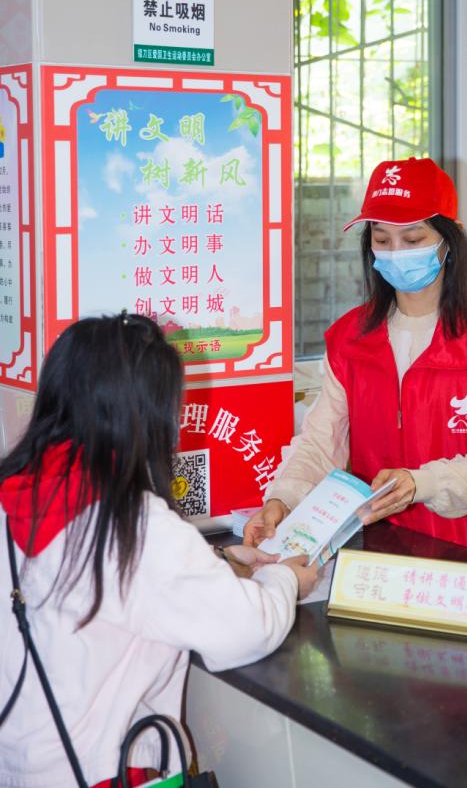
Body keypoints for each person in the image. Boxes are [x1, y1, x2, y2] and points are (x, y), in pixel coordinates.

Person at [0, 313, 317, 788]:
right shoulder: (132, 525)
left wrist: (222, 561)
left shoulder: (15, 493)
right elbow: (246, 630)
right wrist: (286, 579)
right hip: (103, 772)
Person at [245, 157, 467, 553]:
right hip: (390, 550)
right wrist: (281, 500)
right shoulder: (350, 339)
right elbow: (320, 443)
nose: (396, 252)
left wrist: (422, 483)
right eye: (382, 240)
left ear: (449, 241)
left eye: (413, 240)